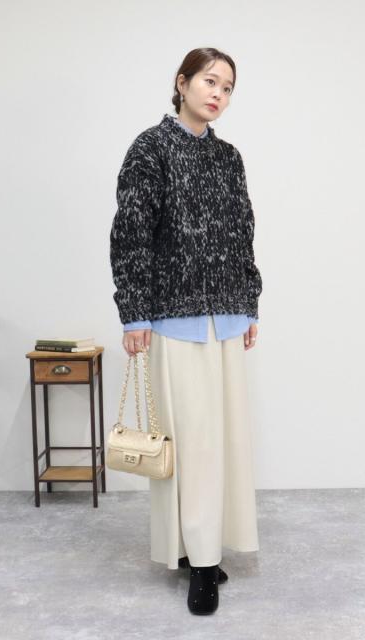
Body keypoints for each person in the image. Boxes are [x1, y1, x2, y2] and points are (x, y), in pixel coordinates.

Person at [109, 47, 262, 615]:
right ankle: (199, 563)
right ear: (182, 83)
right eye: (209, 81)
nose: (218, 93)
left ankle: (204, 546)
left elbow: (243, 231)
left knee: (222, 443)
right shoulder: (150, 148)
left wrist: (249, 303)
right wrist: (135, 313)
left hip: (228, 317)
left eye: (228, 86)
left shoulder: (229, 158)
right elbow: (131, 232)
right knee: (190, 443)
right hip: (174, 320)